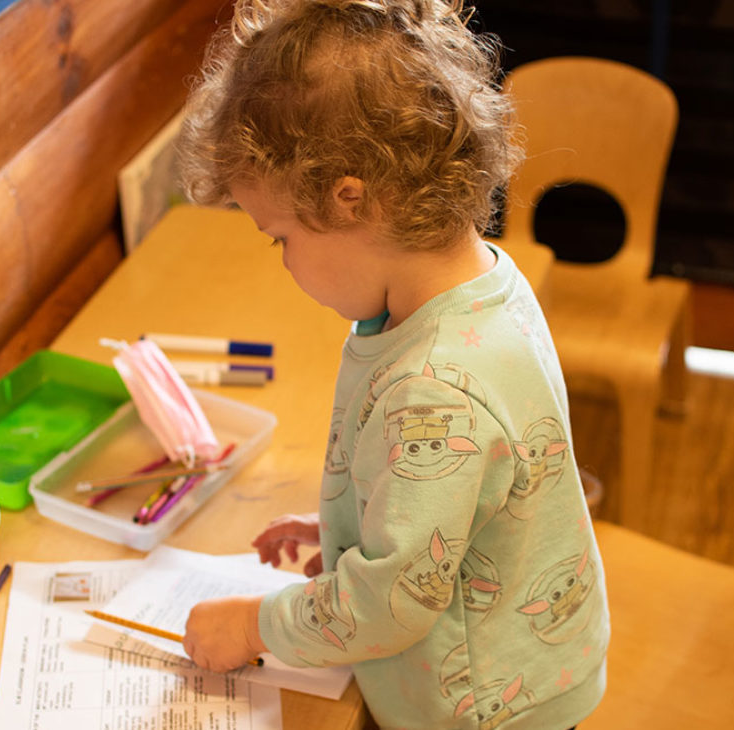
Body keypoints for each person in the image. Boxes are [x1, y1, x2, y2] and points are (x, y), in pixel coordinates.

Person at [174, 1, 608, 727]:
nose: (282, 261)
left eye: (278, 236)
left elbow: (389, 608)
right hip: (523, 658)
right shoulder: (484, 283)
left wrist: (254, 626)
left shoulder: (433, 383)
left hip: (486, 705)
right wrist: (349, 525)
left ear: (350, 201)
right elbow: (459, 492)